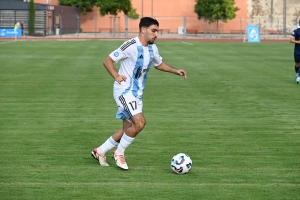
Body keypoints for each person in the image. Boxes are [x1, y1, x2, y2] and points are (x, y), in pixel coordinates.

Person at [91, 17, 187, 170]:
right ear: (143, 30)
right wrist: (116, 75)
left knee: (127, 129)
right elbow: (107, 60)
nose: (156, 34)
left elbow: (159, 64)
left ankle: (99, 151)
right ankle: (119, 153)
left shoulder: (153, 48)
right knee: (140, 122)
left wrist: (176, 71)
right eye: (153, 31)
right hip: (124, 91)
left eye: (157, 31)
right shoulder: (130, 45)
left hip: (137, 94)